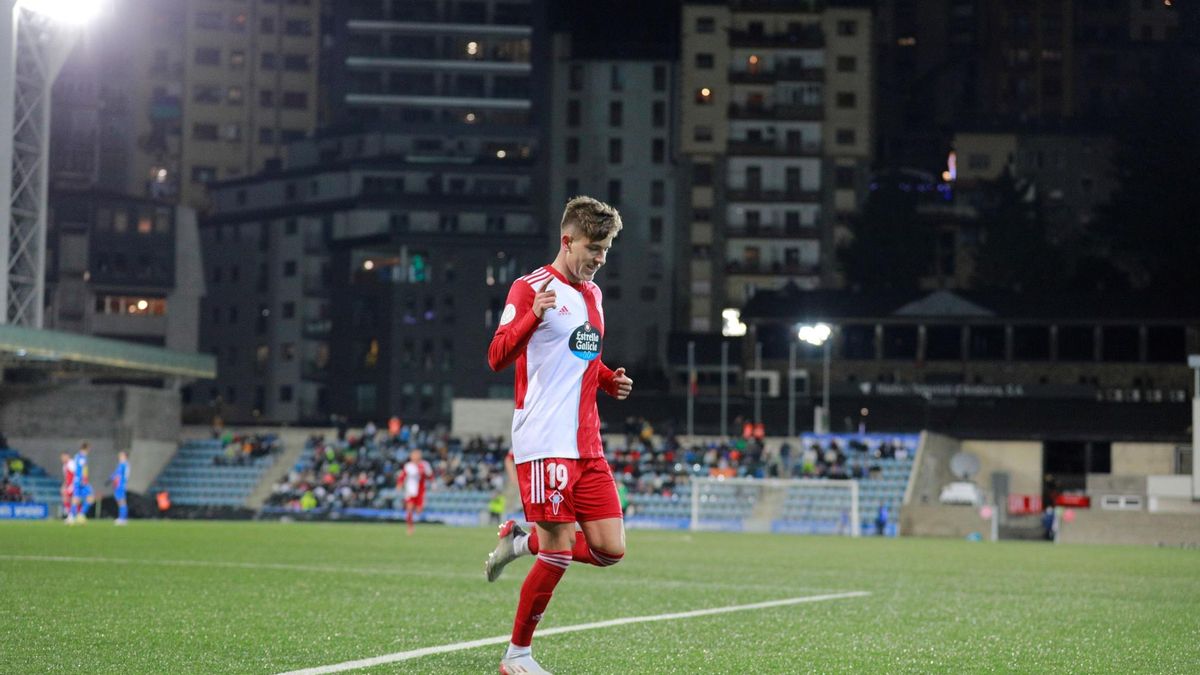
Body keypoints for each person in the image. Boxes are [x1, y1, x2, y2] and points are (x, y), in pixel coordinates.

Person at [483, 196, 634, 675]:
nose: (599, 259)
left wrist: (608, 379)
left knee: (611, 550)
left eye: (606, 250)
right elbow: (496, 356)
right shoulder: (531, 287)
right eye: (593, 247)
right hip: (545, 440)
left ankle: (518, 541)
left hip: (587, 443)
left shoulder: (593, 295)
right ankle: (517, 657)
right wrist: (533, 315)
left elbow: (579, 355)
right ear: (567, 240)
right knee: (558, 553)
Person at [400, 449, 432, 535]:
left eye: (417, 455)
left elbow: (430, 476)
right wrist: (399, 484)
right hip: (410, 491)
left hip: (421, 492)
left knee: (419, 511)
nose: (415, 457)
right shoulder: (408, 466)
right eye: (413, 455)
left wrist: (430, 481)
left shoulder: (425, 465)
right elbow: (402, 476)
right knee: (409, 509)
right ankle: (410, 527)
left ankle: (415, 521)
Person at [70, 442, 93, 523]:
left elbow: (74, 468)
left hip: (76, 480)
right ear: (86, 448)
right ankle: (80, 514)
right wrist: (85, 479)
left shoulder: (76, 456)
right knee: (90, 497)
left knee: (76, 498)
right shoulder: (83, 457)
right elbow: (84, 468)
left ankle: (72, 517)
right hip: (81, 480)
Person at [108, 451, 130, 525]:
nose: (119, 457)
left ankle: (122, 518)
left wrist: (111, 478)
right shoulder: (123, 465)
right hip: (119, 485)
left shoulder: (124, 465)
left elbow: (118, 475)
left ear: (125, 457)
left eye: (121, 456)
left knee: (121, 501)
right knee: (120, 501)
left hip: (120, 485)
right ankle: (123, 518)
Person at [61, 452, 75, 523]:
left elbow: (75, 474)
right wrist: (64, 486)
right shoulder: (64, 466)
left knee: (71, 499)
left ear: (67, 456)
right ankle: (70, 515)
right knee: (66, 498)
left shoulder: (71, 463)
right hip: (69, 484)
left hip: (73, 484)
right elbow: (66, 478)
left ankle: (72, 516)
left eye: (63, 457)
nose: (62, 459)